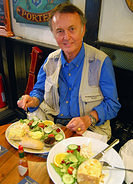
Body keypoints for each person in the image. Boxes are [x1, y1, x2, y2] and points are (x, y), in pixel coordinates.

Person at [17, 2, 121, 140]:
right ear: (54, 34)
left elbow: (112, 104)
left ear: (83, 30)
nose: (66, 37)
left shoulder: (101, 62)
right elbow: (39, 91)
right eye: (60, 31)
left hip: (89, 129)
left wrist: (89, 118)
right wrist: (33, 100)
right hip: (53, 125)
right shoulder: (50, 60)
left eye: (72, 29)